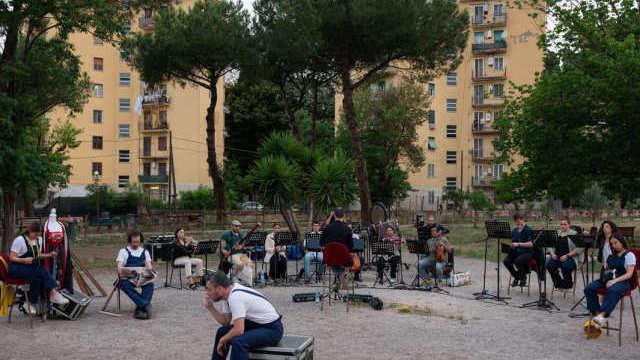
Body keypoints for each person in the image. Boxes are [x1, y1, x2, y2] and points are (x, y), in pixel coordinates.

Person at [205, 271, 283, 360]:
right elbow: (226, 322)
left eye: (209, 289)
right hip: (258, 325)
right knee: (222, 332)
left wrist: (223, 340)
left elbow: (239, 330)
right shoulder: (228, 293)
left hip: (272, 330)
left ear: (219, 289)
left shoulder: (235, 297)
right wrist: (211, 308)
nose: (207, 293)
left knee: (238, 341)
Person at [7, 222, 69, 315]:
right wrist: (23, 260)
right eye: (35, 234)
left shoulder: (38, 240)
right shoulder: (19, 240)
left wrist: (49, 254)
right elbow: (11, 257)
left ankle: (28, 303)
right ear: (30, 231)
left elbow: (38, 255)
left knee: (38, 278)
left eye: (38, 234)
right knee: (40, 269)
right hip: (16, 268)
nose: (37, 236)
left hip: (29, 269)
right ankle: (53, 292)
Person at [584, 237, 636, 328]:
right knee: (589, 288)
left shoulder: (629, 255)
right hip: (608, 279)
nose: (613, 245)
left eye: (615, 243)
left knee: (612, 290)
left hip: (623, 281)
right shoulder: (611, 256)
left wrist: (614, 281)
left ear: (622, 242)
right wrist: (606, 278)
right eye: (612, 244)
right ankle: (597, 314)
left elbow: (629, 274)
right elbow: (607, 270)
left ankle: (602, 317)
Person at [116, 230, 154, 319]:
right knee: (124, 284)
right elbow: (119, 268)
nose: (136, 244)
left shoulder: (145, 252)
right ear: (130, 241)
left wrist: (149, 271)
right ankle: (145, 305)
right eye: (134, 242)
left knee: (150, 284)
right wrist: (126, 273)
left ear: (140, 241)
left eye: (138, 241)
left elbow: (149, 267)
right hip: (128, 278)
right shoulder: (123, 251)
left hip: (141, 278)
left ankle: (140, 308)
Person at [546, 217, 578, 289]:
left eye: (565, 224)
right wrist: (552, 254)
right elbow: (549, 245)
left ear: (569, 225)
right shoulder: (557, 233)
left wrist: (567, 255)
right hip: (557, 257)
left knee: (565, 266)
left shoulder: (574, 233)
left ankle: (568, 284)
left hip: (570, 257)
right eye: (561, 224)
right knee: (549, 265)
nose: (563, 226)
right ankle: (559, 284)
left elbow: (579, 248)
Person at [503, 213, 535, 287]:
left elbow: (531, 244)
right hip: (517, 252)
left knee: (518, 261)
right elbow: (514, 242)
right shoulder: (514, 231)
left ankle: (523, 278)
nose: (519, 222)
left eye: (520, 220)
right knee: (506, 261)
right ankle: (517, 276)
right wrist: (512, 245)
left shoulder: (529, 229)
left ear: (523, 219)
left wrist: (518, 244)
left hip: (528, 252)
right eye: (517, 221)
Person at [320, 208, 353, 278]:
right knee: (344, 259)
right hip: (343, 258)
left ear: (334, 216)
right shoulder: (347, 229)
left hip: (329, 257)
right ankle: (340, 277)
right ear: (343, 216)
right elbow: (351, 246)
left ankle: (337, 277)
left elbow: (321, 243)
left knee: (335, 261)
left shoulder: (327, 227)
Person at [221, 220, 253, 286]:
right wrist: (226, 253)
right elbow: (222, 247)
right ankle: (234, 276)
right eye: (236, 226)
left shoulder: (241, 234)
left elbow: (243, 245)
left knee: (250, 264)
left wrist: (241, 246)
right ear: (232, 226)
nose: (238, 228)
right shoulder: (226, 235)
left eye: (239, 226)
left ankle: (248, 282)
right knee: (240, 264)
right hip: (231, 255)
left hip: (241, 254)